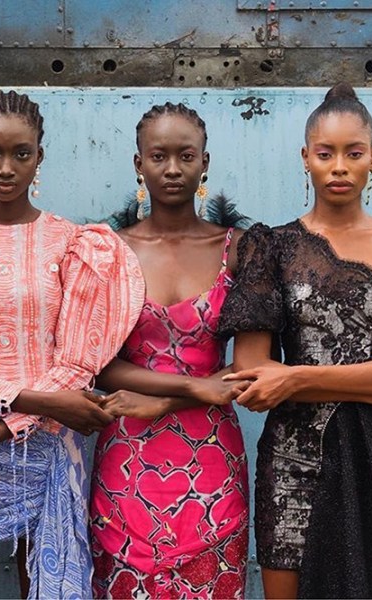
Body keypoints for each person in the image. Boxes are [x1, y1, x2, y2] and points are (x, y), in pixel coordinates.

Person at [0, 89, 144, 599]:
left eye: (22, 153)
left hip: (46, 447)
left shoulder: (75, 244)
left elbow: (77, 362)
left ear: (40, 156)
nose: (6, 167)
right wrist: (29, 405)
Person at [220, 83, 372, 598]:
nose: (339, 166)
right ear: (306, 159)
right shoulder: (268, 246)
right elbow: (251, 376)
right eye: (326, 153)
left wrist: (294, 375)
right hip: (294, 461)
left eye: (353, 153)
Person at [90, 102, 252, 599]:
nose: (173, 169)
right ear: (138, 164)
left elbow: (250, 371)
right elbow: (99, 365)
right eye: (159, 156)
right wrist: (190, 385)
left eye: (186, 155)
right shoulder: (108, 250)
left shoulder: (241, 249)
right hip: (126, 460)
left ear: (206, 162)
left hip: (213, 464)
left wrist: (165, 400)